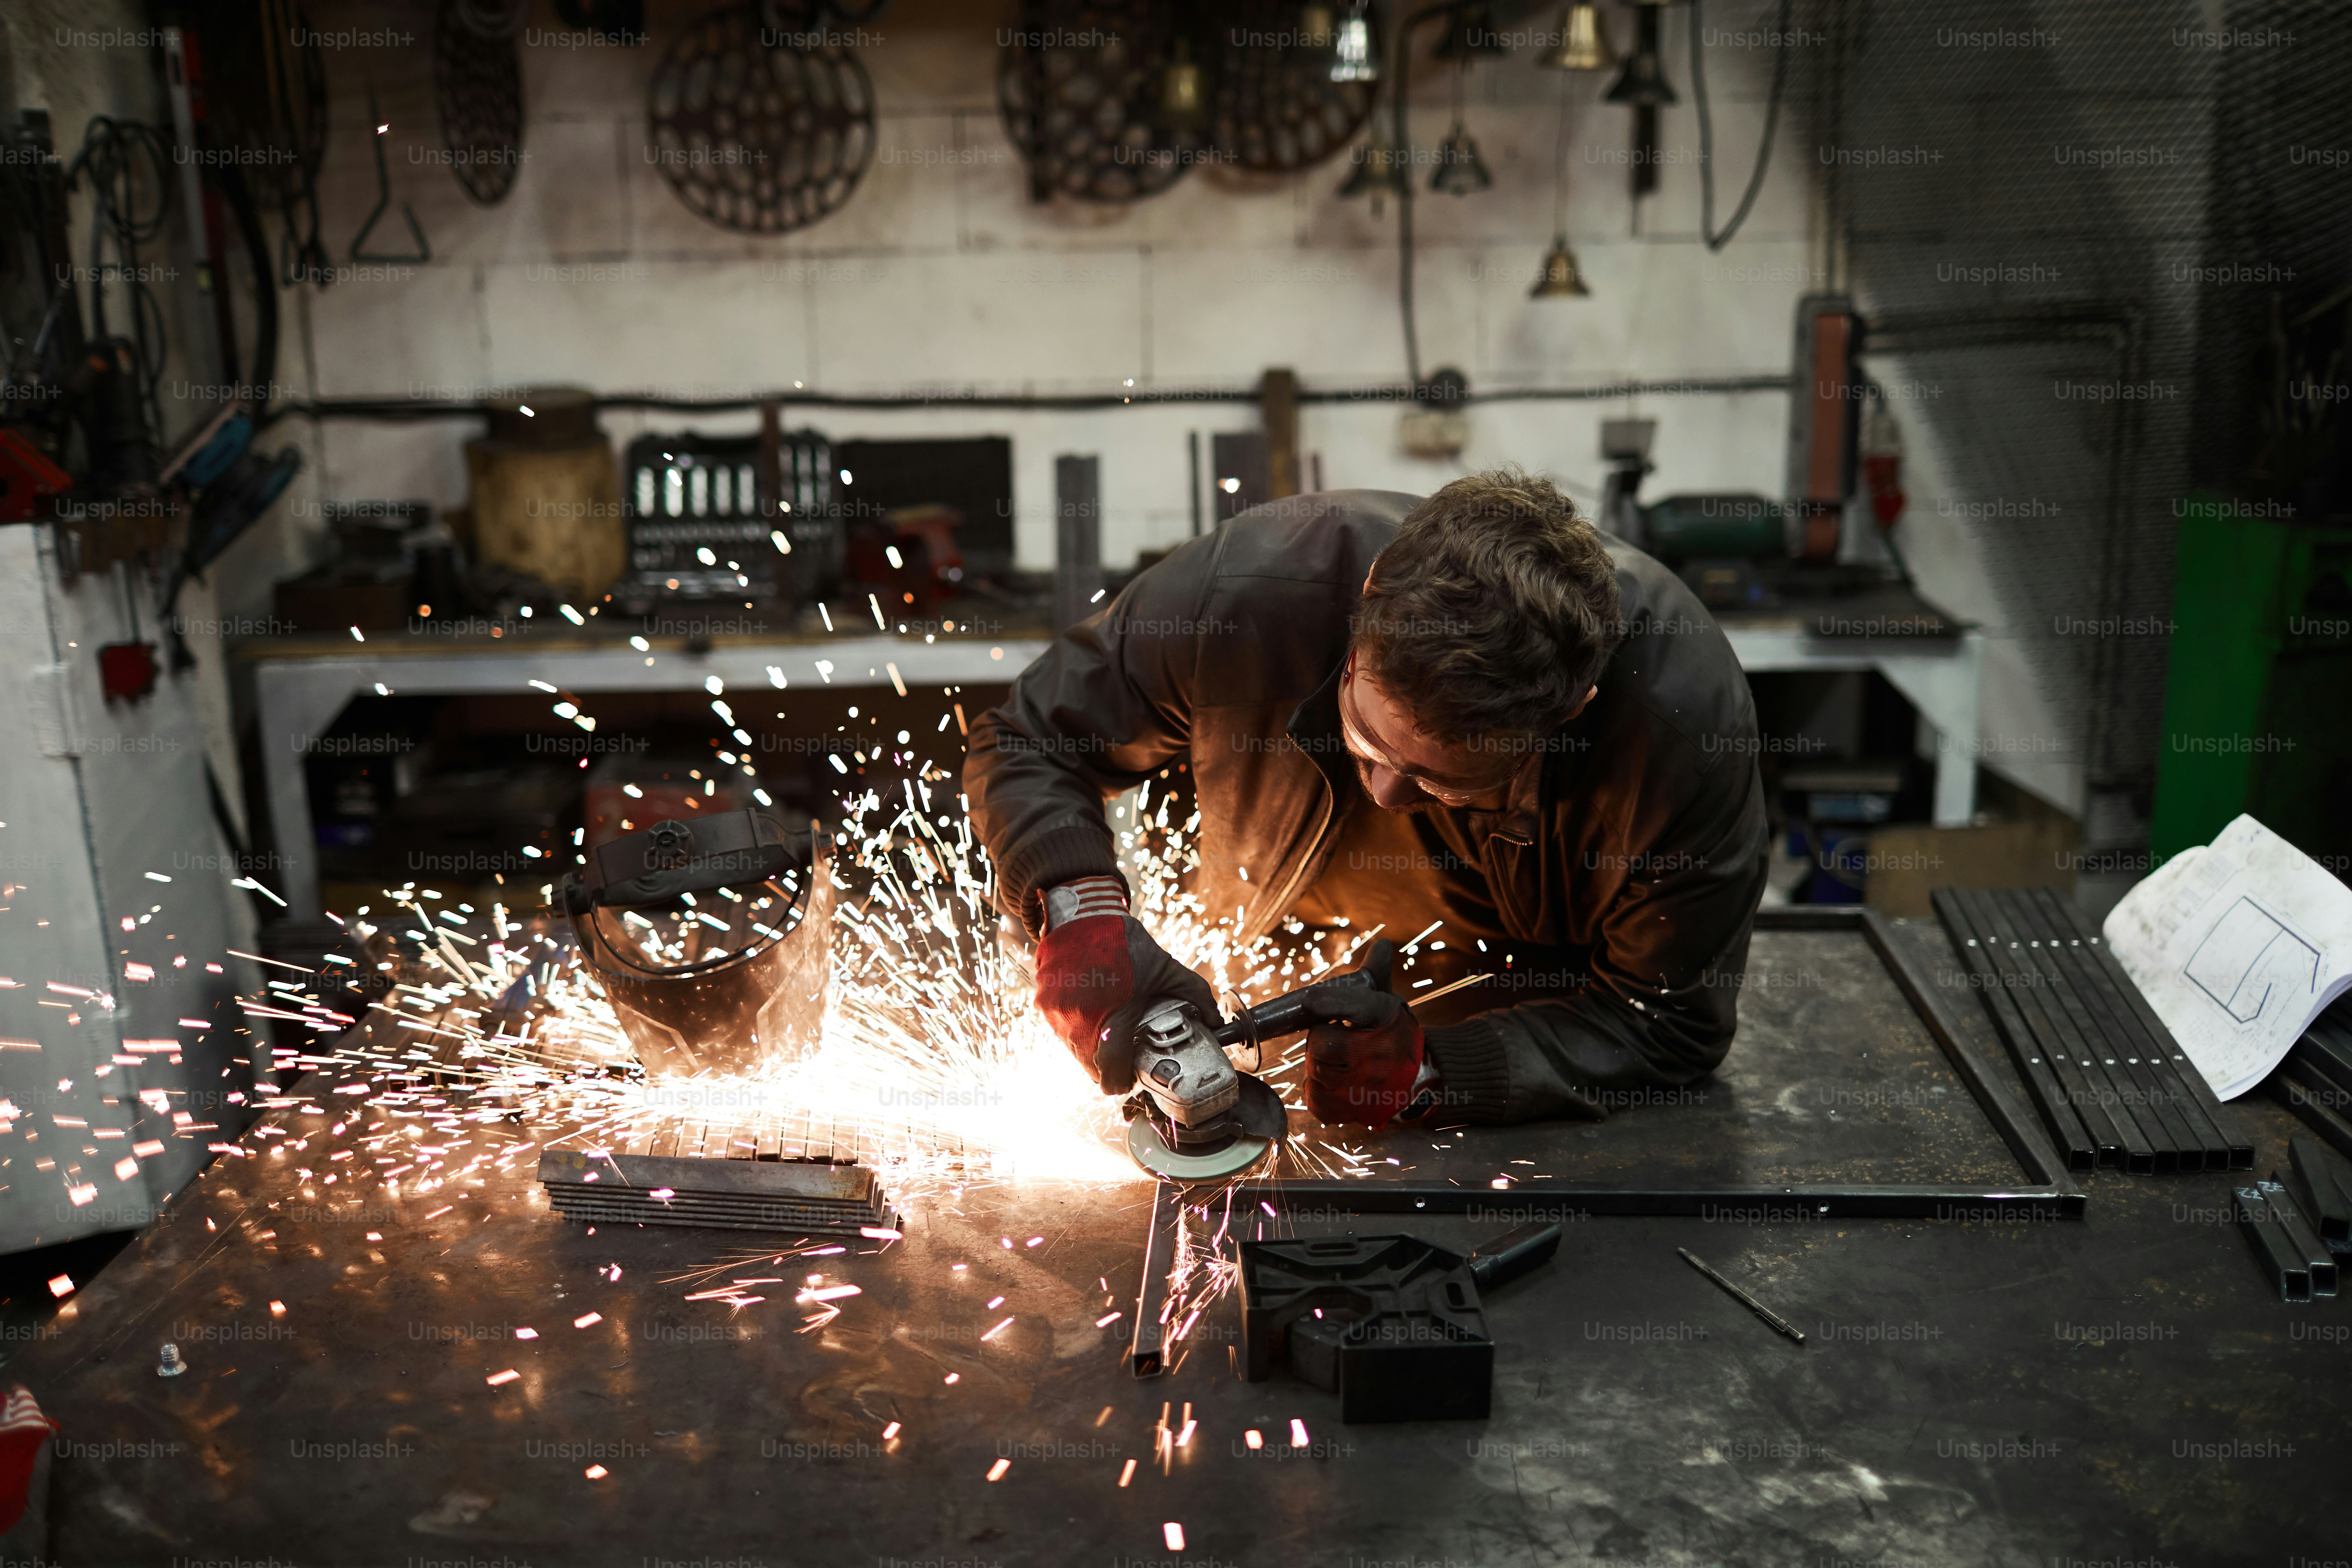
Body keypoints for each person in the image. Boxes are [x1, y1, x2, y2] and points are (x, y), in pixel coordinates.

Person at [964, 468, 1768, 1128]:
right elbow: (1033, 738)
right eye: (1365, 737)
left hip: (1490, 1024)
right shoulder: (1248, 595)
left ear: (1568, 713)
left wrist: (1439, 1071)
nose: (1384, 791)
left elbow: (1665, 1020)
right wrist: (1079, 908)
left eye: (1440, 780)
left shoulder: (1681, 737)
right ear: (1371, 595)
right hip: (1249, 949)